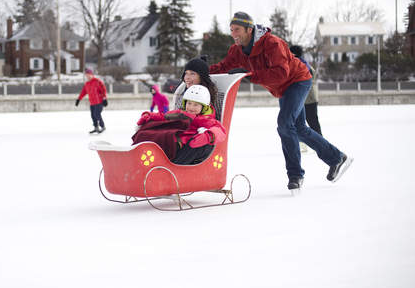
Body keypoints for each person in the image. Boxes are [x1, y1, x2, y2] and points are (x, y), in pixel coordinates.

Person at [209, 11, 353, 191]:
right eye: (231, 30)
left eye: (237, 29)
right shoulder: (236, 50)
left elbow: (281, 73)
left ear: (249, 29)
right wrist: (200, 70)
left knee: (285, 124)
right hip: (283, 88)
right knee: (298, 128)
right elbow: (223, 67)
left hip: (297, 80)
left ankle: (295, 175)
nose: (233, 34)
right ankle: (336, 158)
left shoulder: (272, 44)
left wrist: (250, 75)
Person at [133, 85, 226, 165]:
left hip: (182, 143)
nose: (191, 108)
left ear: (204, 107)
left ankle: (166, 164)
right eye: (189, 103)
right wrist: (149, 116)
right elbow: (165, 116)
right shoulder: (181, 113)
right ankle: (138, 155)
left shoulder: (204, 119)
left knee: (168, 139)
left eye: (196, 105)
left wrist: (208, 136)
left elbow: (220, 129)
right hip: (175, 136)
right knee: (146, 133)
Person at [290, 45, 322, 135]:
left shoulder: (301, 65)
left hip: (307, 99)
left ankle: (321, 145)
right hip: (307, 99)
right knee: (300, 123)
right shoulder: (305, 64)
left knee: (312, 123)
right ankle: (306, 144)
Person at [75, 68, 108, 134]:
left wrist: (105, 98)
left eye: (89, 75)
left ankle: (103, 126)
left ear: (92, 75)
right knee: (93, 115)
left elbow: (103, 90)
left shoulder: (97, 81)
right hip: (92, 102)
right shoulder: (87, 84)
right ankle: (96, 127)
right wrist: (79, 99)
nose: (88, 76)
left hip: (99, 102)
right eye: (86, 75)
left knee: (97, 114)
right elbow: (83, 92)